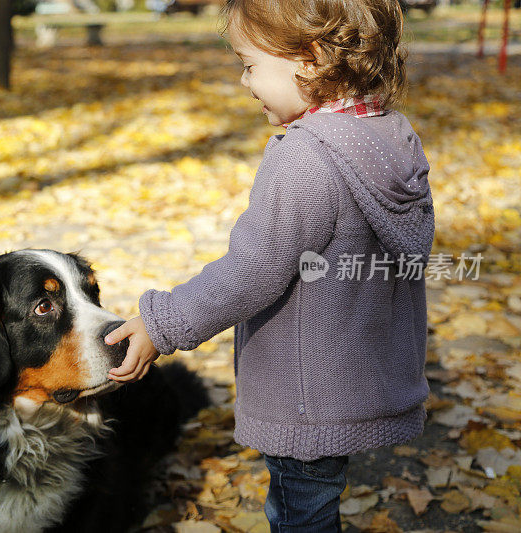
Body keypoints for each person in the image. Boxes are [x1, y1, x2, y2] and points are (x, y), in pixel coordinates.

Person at [104, 0, 435, 531]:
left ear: (310, 58)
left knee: (299, 513)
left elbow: (251, 272)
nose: (243, 80)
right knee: (317, 502)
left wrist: (161, 323)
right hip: (355, 384)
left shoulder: (304, 159)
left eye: (250, 64)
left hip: (306, 399)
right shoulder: (390, 136)